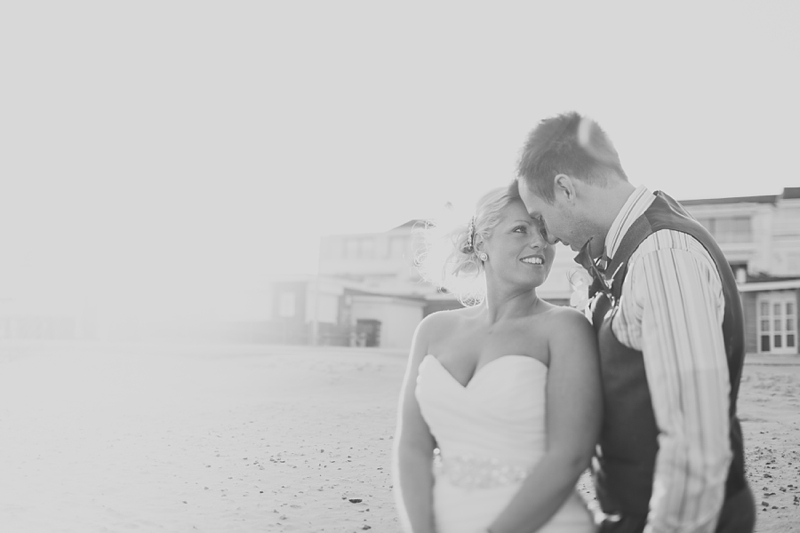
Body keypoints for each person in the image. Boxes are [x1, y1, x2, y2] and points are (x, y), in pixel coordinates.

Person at [515, 112, 756, 533]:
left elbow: (695, 444)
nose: (546, 236)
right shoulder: (632, 250)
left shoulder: (663, 255)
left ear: (565, 189)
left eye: (540, 217)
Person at [392, 186, 603, 533]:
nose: (539, 243)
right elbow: (412, 446)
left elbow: (570, 457)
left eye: (545, 232)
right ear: (480, 245)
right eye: (521, 229)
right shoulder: (433, 330)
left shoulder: (565, 328)